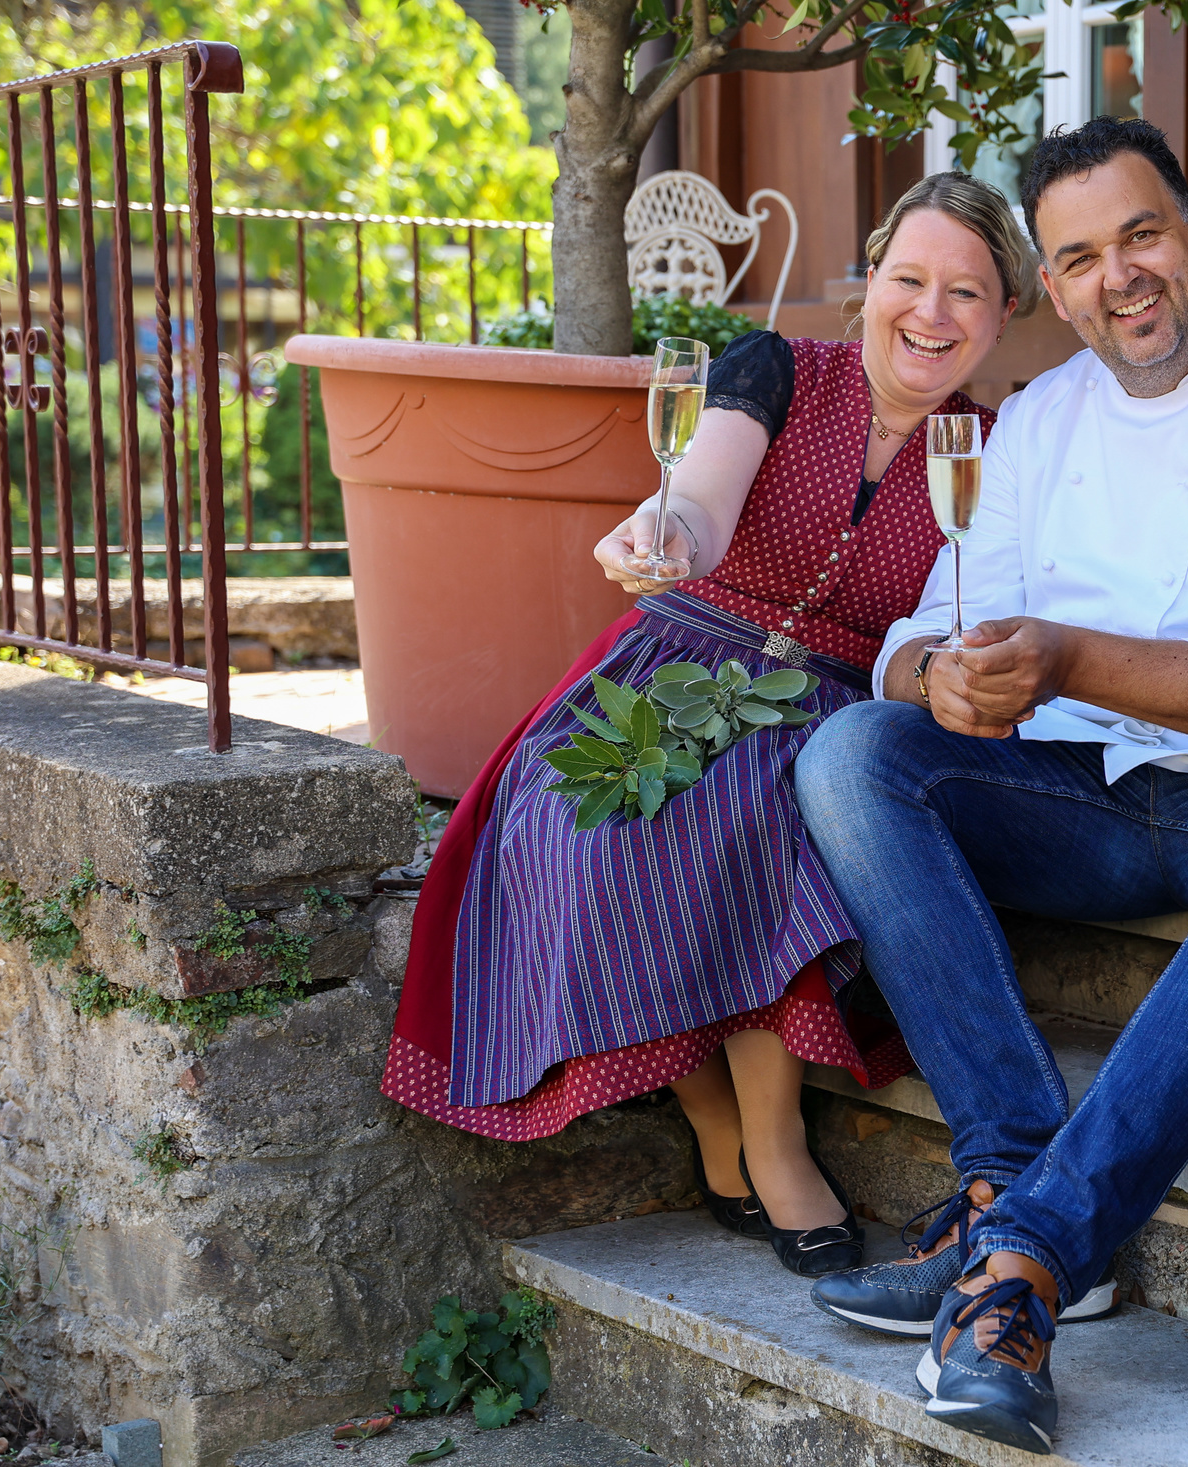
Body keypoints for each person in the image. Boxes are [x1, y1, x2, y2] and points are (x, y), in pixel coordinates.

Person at [794, 118, 1188, 1453]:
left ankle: (1030, 1256)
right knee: (851, 753)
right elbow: (927, 623)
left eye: (1141, 235)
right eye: (1081, 258)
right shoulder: (1041, 420)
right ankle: (1008, 1173)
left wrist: (1069, 656)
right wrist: (936, 678)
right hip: (1098, 791)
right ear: (1056, 282)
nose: (1120, 277)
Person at [381, 172, 1037, 1278]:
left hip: (837, 701)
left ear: (1003, 313)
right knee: (580, 819)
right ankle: (713, 1119)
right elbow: (702, 496)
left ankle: (774, 1143)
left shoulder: (995, 446)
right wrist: (665, 528)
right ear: (869, 282)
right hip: (685, 656)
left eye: (966, 292)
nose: (931, 313)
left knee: (750, 811)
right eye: (909, 279)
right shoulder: (775, 367)